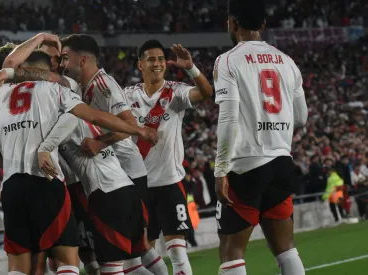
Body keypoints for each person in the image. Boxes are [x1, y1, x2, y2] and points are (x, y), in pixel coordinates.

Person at [0, 34, 157, 275]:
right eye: (56, 60)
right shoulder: (57, 89)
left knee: (25, 265)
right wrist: (138, 129)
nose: (60, 65)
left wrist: (14, 162)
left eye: (63, 59)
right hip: (68, 183)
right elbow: (94, 116)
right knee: (74, 259)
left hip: (18, 185)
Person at [213, 0, 308, 274]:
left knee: (231, 251)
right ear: (263, 25)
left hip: (247, 165)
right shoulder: (287, 62)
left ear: (232, 23)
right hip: (281, 162)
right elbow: (301, 117)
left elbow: (229, 117)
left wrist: (221, 170)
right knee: (286, 248)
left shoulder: (228, 60)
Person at [60, 34, 161, 274]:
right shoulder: (83, 89)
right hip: (114, 171)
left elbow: (128, 124)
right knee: (135, 254)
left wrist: (100, 144)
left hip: (126, 171)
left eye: (66, 58)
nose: (63, 64)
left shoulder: (103, 85)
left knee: (136, 254)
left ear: (82, 59)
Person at [123, 39, 213, 275]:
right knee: (143, 256)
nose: (157, 64)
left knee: (178, 254)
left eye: (161, 59)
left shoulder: (176, 92)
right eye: (151, 59)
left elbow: (206, 93)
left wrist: (191, 68)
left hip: (170, 184)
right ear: (140, 65)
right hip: (139, 186)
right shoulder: (126, 95)